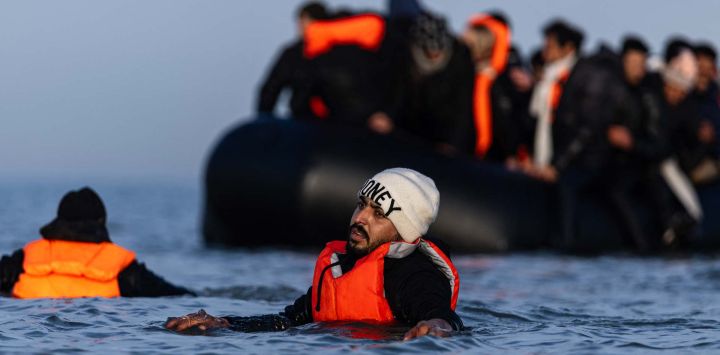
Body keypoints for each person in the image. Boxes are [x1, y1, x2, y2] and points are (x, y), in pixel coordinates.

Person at [165, 168, 463, 340]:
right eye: (361, 205)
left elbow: (439, 315)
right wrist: (225, 324)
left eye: (378, 214)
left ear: (403, 231)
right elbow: (289, 319)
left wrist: (437, 326)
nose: (360, 218)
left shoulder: (414, 272)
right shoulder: (342, 265)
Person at [0, 187, 194, 298]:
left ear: (58, 221)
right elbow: (176, 295)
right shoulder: (126, 271)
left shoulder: (23, 260)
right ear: (101, 222)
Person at [394, 12, 476, 155]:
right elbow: (397, 92)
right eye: (430, 52)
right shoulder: (403, 55)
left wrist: (453, 143)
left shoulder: (460, 61)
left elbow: (463, 107)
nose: (435, 56)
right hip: (407, 130)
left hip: (442, 134)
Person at [256, 2, 328, 120]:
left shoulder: (294, 53)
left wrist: (265, 122)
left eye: (303, 22)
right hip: (340, 124)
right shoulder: (345, 50)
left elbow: (270, 90)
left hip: (307, 122)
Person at [690, 42, 720, 183]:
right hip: (691, 163)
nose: (702, 72)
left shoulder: (716, 96)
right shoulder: (682, 96)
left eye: (706, 67)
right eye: (699, 67)